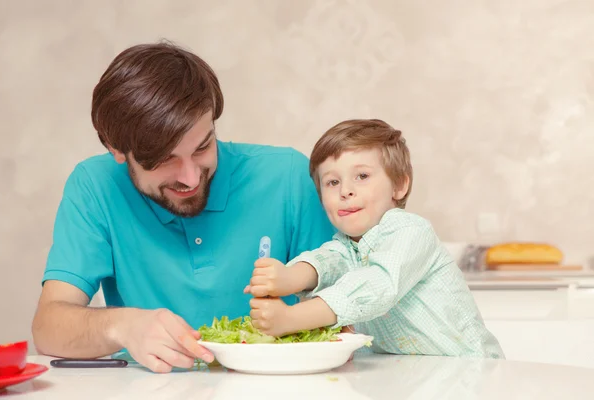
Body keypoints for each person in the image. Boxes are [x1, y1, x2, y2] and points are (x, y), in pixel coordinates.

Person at [31, 41, 335, 372]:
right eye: (165, 160)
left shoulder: (288, 177)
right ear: (116, 149)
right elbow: (48, 328)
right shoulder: (95, 185)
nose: (190, 178)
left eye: (203, 146)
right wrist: (123, 325)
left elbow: (346, 312)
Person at [246, 119, 504, 358]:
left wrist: (292, 318)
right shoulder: (346, 245)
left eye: (362, 176)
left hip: (472, 372)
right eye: (332, 182)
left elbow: (378, 285)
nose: (345, 190)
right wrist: (288, 278)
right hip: (414, 379)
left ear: (399, 186)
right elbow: (327, 261)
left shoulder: (410, 231)